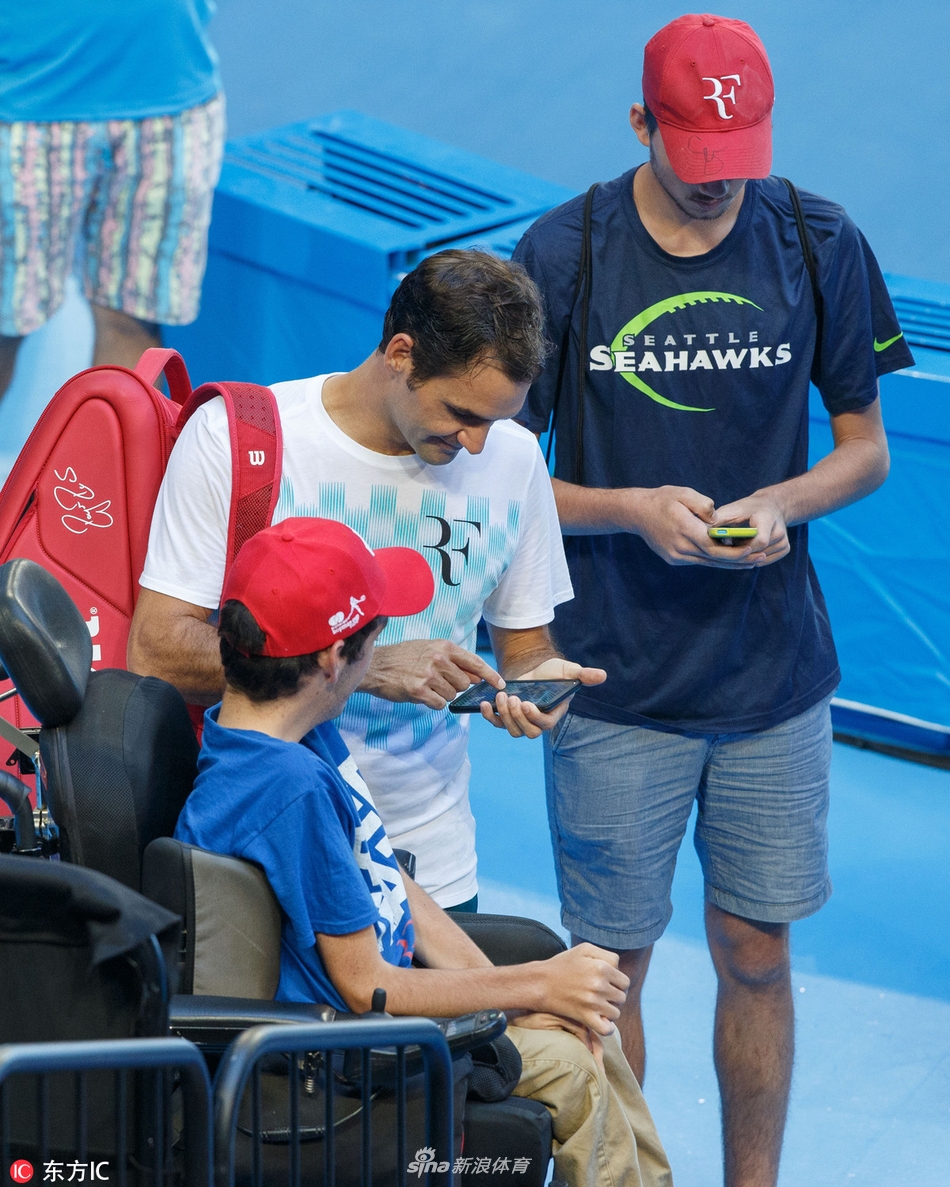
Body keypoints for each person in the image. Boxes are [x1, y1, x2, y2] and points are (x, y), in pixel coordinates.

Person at [512, 13, 913, 1187]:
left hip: (768, 680)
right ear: (639, 124)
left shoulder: (815, 240)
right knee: (607, 974)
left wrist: (784, 500)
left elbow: (864, 449)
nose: (717, 190)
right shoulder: (564, 254)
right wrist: (630, 509)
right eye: (695, 165)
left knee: (755, 947)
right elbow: (502, 479)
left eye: (737, 165)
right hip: (611, 680)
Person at [174, 516, 672, 1187]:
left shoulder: (291, 734)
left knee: (588, 1025)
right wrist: (532, 985)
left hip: (385, 1016)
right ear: (332, 659)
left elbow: (388, 877)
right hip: (350, 1054)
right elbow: (365, 984)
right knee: (575, 1065)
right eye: (374, 636)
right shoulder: (287, 789)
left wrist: (519, 1001)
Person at [129, 249, 606, 911]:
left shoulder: (514, 459)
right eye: (461, 414)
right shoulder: (235, 440)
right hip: (262, 853)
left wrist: (537, 679)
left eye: (495, 422)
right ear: (400, 354)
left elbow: (524, 645)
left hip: (433, 867)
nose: (475, 444)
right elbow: (155, 652)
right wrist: (367, 666)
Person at [0, 0, 225, 400]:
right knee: (4, 325)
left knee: (133, 320)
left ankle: (109, 444)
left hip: (171, 94)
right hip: (20, 103)